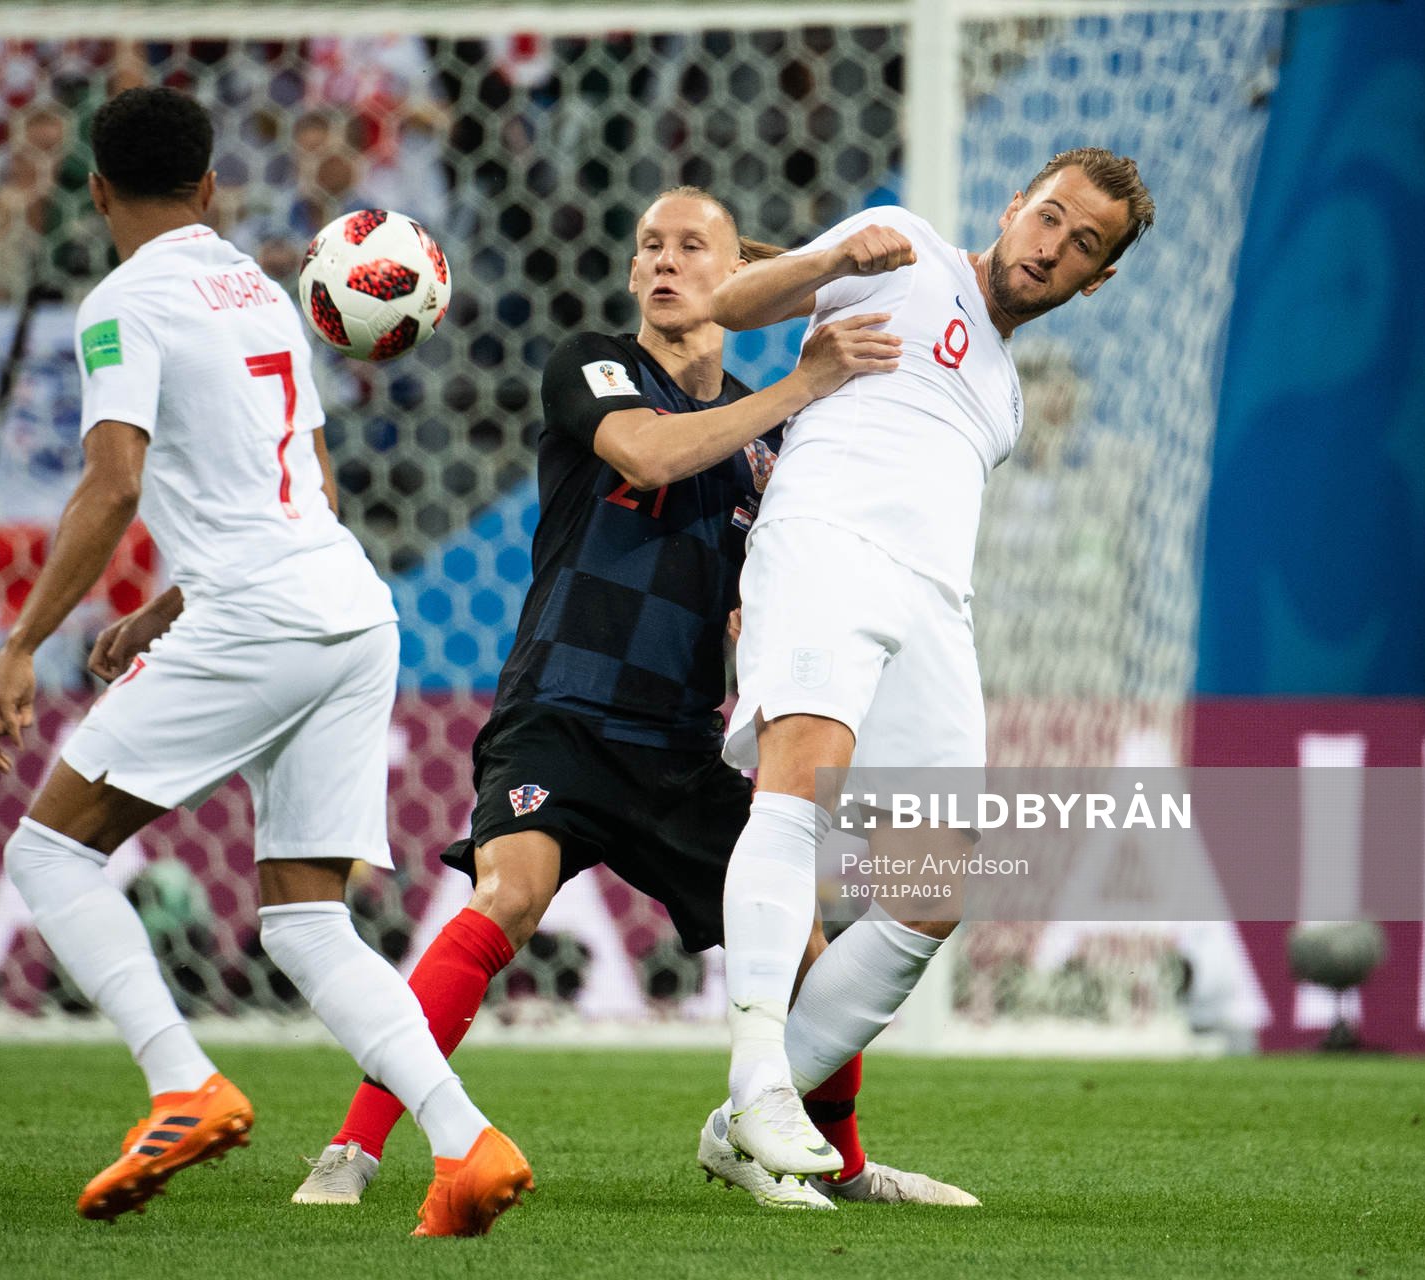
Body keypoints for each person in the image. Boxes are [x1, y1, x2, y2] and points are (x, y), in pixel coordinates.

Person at [292, 186, 962, 1211]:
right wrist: (802, 384)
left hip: (679, 743)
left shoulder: (773, 451)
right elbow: (648, 452)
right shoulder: (595, 365)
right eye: (649, 242)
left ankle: (849, 1161)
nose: (663, 259)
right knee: (509, 893)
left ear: (736, 272)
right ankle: (354, 1147)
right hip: (562, 710)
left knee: (809, 950)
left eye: (693, 246)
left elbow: (769, 586)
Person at [0, 86, 530, 1238]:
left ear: (96, 192)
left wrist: (24, 641)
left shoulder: (120, 305)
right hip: (349, 607)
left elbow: (113, 482)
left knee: (51, 852)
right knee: (308, 920)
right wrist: (165, 607)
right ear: (212, 186)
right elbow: (305, 490)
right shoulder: (265, 292)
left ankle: (182, 1082)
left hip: (259, 616)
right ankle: (466, 1142)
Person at [706, 149, 1156, 1176]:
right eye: (1049, 218)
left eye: (1083, 244)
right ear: (1016, 205)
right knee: (797, 790)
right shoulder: (901, 244)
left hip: (933, 601)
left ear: (1100, 279)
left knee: (934, 882)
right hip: (826, 541)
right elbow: (732, 302)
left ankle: (743, 1129)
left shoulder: (1005, 398)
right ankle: (762, 1083)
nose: (1053, 246)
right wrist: (833, 256)